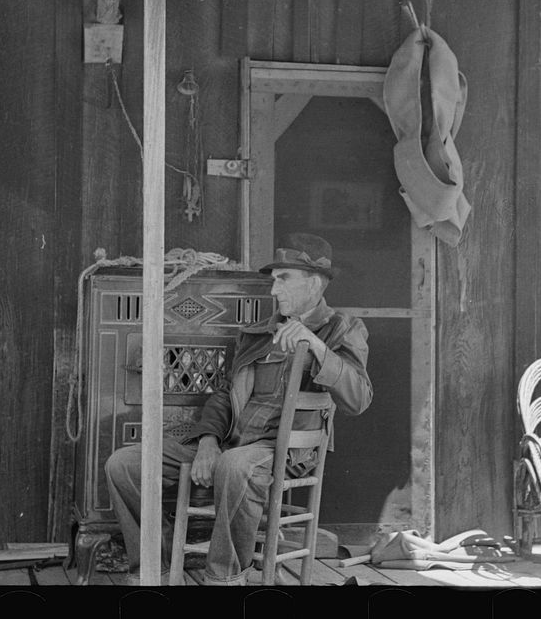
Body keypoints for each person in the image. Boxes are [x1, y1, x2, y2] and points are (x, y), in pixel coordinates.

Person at [104, 233, 372, 585]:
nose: (273, 290)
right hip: (232, 443)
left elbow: (359, 398)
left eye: (283, 279)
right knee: (124, 465)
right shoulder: (257, 334)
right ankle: (160, 569)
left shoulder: (343, 329)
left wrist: (318, 348)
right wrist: (207, 443)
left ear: (314, 283)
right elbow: (223, 393)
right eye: (273, 280)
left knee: (235, 466)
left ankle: (223, 581)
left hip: (282, 450)